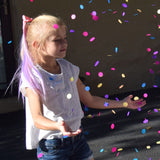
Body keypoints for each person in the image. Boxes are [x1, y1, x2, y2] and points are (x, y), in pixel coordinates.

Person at [12, 14, 146, 160]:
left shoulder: (69, 69)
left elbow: (90, 100)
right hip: (53, 147)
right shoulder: (34, 77)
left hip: (78, 140)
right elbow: (37, 118)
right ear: (37, 45)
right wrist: (58, 126)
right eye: (57, 40)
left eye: (65, 39)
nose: (65, 44)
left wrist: (123, 103)